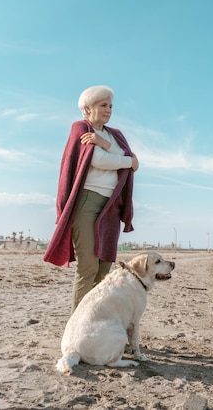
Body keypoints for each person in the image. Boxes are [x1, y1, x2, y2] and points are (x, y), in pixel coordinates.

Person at [43, 85, 139, 312]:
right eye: (103, 105)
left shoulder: (115, 135)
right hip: (86, 202)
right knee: (88, 266)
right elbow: (103, 161)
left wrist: (104, 143)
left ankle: (95, 319)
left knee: (104, 267)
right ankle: (78, 327)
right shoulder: (80, 128)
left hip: (112, 207)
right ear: (88, 108)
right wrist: (125, 159)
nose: (108, 110)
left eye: (110, 106)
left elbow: (134, 161)